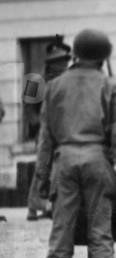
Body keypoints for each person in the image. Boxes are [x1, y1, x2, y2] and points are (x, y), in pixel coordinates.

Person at [35, 29, 116, 258]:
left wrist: (42, 177)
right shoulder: (110, 84)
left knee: (60, 229)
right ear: (104, 56)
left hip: (63, 162)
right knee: (100, 229)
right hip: (97, 162)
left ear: (73, 54)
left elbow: (44, 138)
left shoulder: (50, 85)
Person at [27, 38, 72, 222]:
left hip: (63, 130)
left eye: (64, 61)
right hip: (44, 130)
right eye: (58, 61)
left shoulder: (67, 80)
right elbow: (29, 108)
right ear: (50, 61)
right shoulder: (35, 80)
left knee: (57, 168)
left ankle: (51, 206)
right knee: (42, 167)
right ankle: (33, 206)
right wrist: (37, 125)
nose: (62, 64)